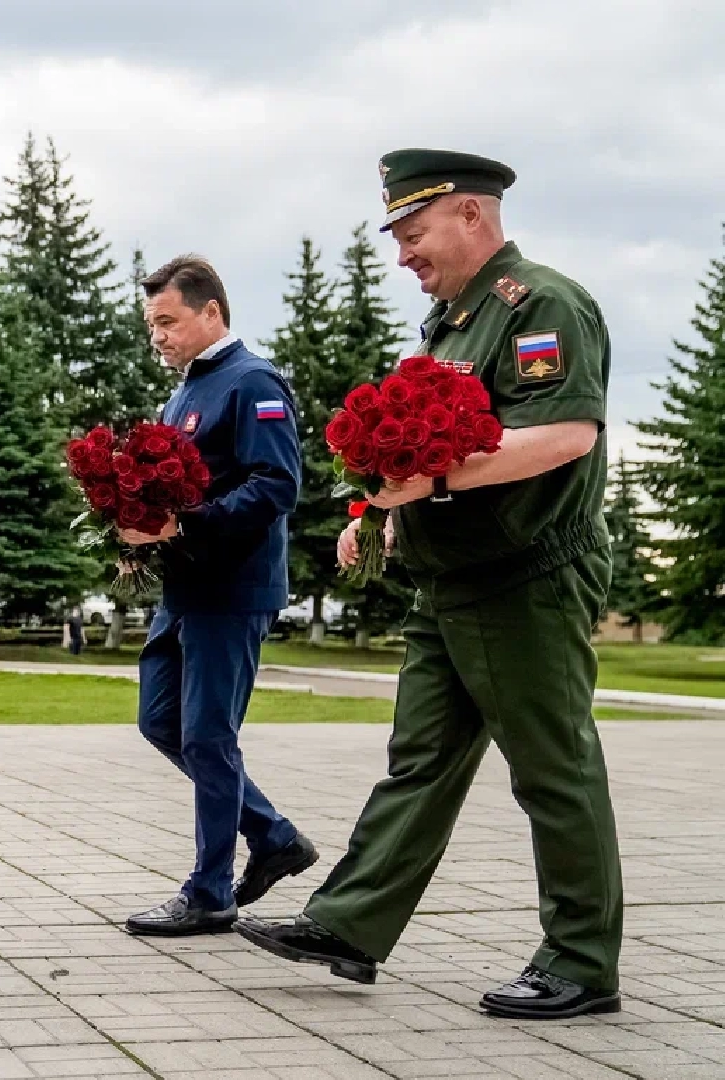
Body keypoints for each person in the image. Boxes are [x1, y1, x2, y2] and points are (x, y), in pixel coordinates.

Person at [237, 149, 622, 1022]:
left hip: (525, 577)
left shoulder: (543, 304)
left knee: (554, 769)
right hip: (451, 580)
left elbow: (564, 434)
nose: (404, 255)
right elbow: (422, 453)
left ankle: (582, 962)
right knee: (418, 762)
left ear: (472, 217)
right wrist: (382, 511)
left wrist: (433, 484)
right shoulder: (449, 323)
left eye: (414, 234)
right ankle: (348, 924)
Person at [119, 256, 318, 936]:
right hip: (185, 587)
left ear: (211, 312)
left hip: (233, 588)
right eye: (152, 326)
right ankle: (274, 836)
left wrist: (186, 524)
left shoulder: (251, 381)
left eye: (168, 321)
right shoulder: (185, 392)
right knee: (162, 723)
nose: (159, 337)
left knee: (207, 735)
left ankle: (209, 893)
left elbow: (276, 483)